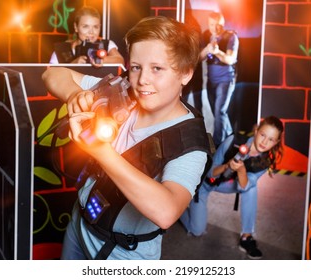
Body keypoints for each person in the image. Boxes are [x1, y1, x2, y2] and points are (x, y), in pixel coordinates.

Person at [42, 16, 211, 260]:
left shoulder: (190, 142)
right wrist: (75, 96)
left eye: (157, 68)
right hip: (79, 226)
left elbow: (166, 211)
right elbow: (53, 75)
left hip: (123, 253)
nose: (142, 80)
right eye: (135, 67)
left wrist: (101, 152)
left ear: (185, 73)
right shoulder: (123, 90)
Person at [180, 116, 284, 259]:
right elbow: (210, 173)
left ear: (276, 142)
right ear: (256, 130)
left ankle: (246, 238)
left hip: (229, 184)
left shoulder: (265, 161)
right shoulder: (234, 142)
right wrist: (227, 166)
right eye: (263, 135)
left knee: (251, 188)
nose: (265, 142)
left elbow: (245, 186)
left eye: (271, 139)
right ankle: (177, 207)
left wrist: (240, 170)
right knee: (197, 230)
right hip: (206, 183)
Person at [201, 12, 239, 147]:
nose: (214, 28)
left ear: (222, 25)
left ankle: (218, 146)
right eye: (211, 24)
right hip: (211, 81)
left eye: (218, 25)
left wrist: (217, 51)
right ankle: (230, 138)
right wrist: (207, 49)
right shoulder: (206, 36)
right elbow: (198, 57)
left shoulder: (231, 36)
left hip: (226, 80)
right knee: (218, 113)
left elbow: (230, 59)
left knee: (220, 111)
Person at [49, 6, 124, 66]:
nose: (91, 32)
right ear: (76, 27)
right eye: (85, 26)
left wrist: (99, 60)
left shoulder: (106, 44)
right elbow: (49, 74)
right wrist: (73, 65)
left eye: (95, 27)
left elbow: (120, 61)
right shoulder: (61, 49)